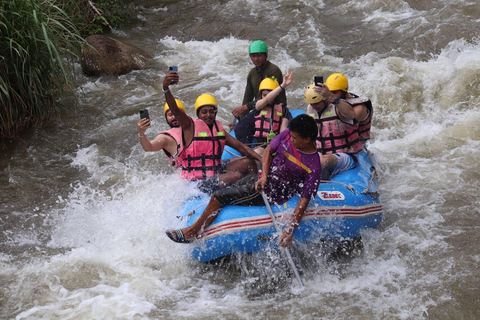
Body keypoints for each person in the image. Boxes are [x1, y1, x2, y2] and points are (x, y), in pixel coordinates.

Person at [166, 114, 322, 249]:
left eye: (295, 138)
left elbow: (304, 201)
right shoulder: (288, 133)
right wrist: (264, 175)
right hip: (264, 180)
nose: (292, 139)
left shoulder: (313, 167)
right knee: (228, 188)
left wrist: (289, 230)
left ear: (307, 139)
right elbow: (268, 150)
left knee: (218, 196)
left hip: (272, 194)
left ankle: (192, 232)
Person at [162, 70, 262, 189]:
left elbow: (241, 147)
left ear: (216, 112)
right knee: (236, 175)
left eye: (211, 111)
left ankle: (251, 190)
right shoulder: (189, 126)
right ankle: (239, 193)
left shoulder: (218, 130)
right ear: (198, 114)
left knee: (249, 163)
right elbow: (175, 110)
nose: (208, 115)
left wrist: (262, 160)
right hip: (196, 182)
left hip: (214, 172)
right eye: (204, 112)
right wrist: (166, 88)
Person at [304, 73, 368, 179]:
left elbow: (352, 115)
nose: (314, 107)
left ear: (326, 100)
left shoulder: (338, 108)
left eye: (317, 103)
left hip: (345, 156)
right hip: (321, 155)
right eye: (311, 104)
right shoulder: (310, 110)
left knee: (323, 161)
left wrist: (332, 97)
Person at [231, 40, 286, 144]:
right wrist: (241, 119)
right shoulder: (252, 73)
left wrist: (246, 107)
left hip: (275, 107)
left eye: (259, 55)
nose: (256, 59)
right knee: (241, 127)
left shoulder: (273, 70)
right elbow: (247, 98)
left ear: (265, 55)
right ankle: (248, 150)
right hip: (259, 108)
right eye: (253, 56)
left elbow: (269, 96)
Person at [251, 71, 292, 155]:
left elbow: (283, 132)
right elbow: (266, 100)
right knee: (257, 154)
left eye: (270, 95)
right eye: (264, 94)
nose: (267, 97)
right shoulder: (258, 105)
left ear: (276, 95)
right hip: (261, 145)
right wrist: (283, 85)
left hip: (276, 145)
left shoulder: (283, 110)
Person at [137, 99, 186, 166]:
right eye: (170, 115)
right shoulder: (165, 138)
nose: (174, 117)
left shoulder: (195, 129)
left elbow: (204, 135)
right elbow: (148, 147)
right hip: (185, 174)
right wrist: (141, 133)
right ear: (166, 118)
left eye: (176, 113)